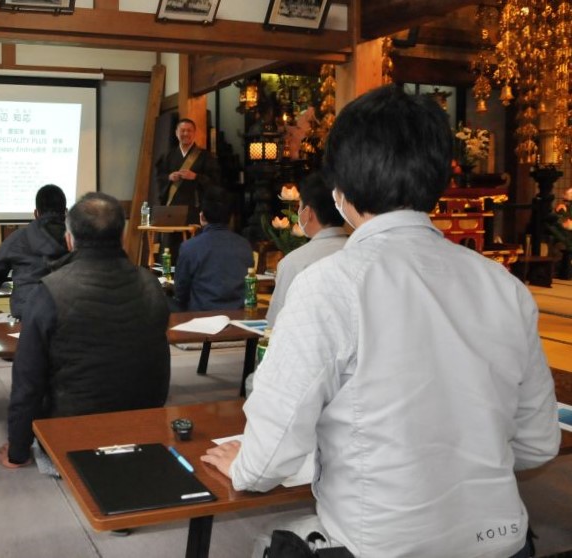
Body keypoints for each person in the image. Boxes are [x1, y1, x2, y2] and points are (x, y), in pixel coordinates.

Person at [202, 85, 560, 557]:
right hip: (505, 543)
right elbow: (538, 443)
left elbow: (272, 452)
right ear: (438, 179)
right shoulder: (504, 286)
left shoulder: (328, 284)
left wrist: (245, 466)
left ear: (341, 191)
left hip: (384, 546)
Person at [0, 192, 171, 468]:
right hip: (144, 425)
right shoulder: (152, 285)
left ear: (69, 239)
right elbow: (159, 365)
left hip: (72, 432)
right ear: (123, 237)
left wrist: (18, 450)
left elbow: (27, 382)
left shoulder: (50, 291)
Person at [0, 184, 68, 321]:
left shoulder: (19, 237)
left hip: (26, 318)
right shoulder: (79, 238)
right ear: (65, 212)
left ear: (36, 213)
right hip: (71, 320)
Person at [265, 172, 348, 326]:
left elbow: (275, 322)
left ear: (308, 213)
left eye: (300, 206)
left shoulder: (294, 262)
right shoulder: (360, 253)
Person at [172, 185, 253, 311]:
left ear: (202, 217)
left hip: (201, 317)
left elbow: (181, 291)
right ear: (231, 218)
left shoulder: (189, 247)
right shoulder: (245, 245)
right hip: (238, 314)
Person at [155, 118, 220, 262]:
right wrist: (169, 177)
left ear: (194, 133)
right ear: (176, 133)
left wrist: (196, 176)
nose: (186, 133)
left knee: (194, 242)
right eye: (182, 130)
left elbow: (215, 181)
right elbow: (159, 177)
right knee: (170, 246)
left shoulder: (204, 156)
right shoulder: (169, 155)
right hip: (173, 208)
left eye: (189, 130)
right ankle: (168, 275)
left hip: (194, 208)